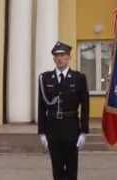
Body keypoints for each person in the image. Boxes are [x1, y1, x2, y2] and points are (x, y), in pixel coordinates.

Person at [38, 41, 89, 180]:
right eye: (57, 55)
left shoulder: (79, 78)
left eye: (63, 55)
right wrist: (42, 132)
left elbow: (85, 106)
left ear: (69, 57)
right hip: (53, 128)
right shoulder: (45, 78)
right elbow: (41, 107)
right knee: (57, 168)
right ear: (54, 58)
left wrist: (84, 131)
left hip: (71, 127)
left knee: (72, 168)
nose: (60, 58)